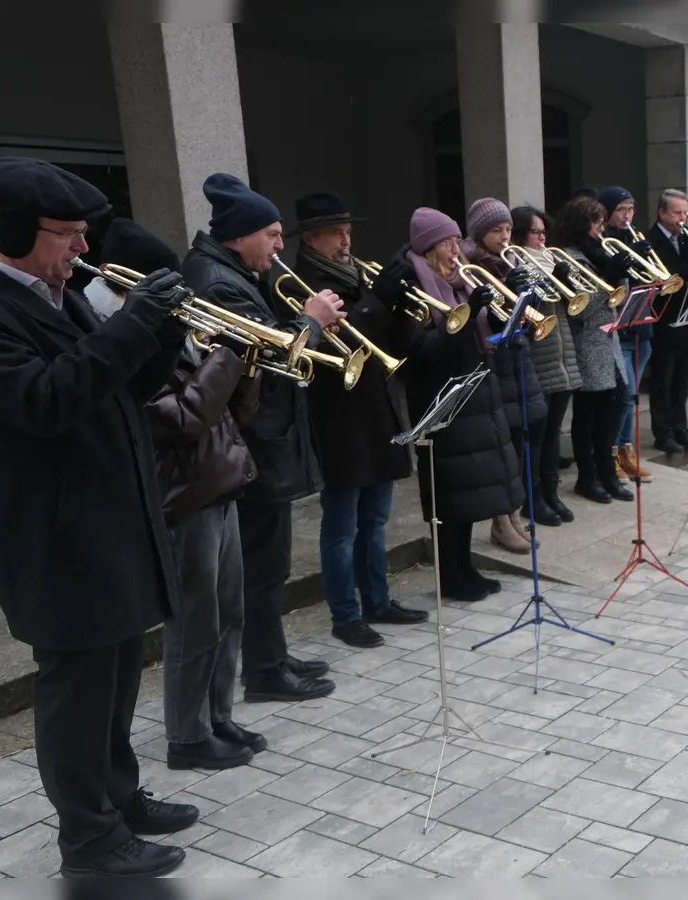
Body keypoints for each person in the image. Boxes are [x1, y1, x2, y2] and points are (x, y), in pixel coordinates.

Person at [0, 157, 198, 877]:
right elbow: (43, 402)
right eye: (67, 234)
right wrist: (132, 327)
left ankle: (117, 797)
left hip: (108, 518)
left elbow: (113, 389)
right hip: (55, 536)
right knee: (78, 687)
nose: (83, 250)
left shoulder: (54, 291)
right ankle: (88, 838)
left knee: (118, 677)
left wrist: (157, 337)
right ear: (12, 231)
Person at [84, 219, 266, 774]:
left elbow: (230, 411)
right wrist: (230, 357)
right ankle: (186, 736)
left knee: (229, 612)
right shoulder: (116, 332)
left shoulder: (171, 326)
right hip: (181, 493)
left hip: (218, 479)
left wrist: (249, 360)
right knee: (193, 623)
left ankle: (217, 715)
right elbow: (182, 416)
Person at [181, 174, 342, 703]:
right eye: (271, 235)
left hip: (261, 441)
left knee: (268, 563)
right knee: (261, 565)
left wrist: (309, 326)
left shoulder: (230, 272)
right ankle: (266, 671)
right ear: (239, 235)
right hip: (250, 444)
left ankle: (271, 656)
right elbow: (266, 361)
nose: (279, 246)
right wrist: (311, 324)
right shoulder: (218, 281)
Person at [291, 193, 429, 648]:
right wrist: (379, 299)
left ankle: (378, 599)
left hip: (378, 407)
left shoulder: (357, 274)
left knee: (376, 519)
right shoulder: (301, 282)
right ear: (311, 237)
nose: (347, 239)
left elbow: (388, 340)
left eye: (349, 230)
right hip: (340, 416)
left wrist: (406, 307)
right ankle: (344, 614)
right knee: (342, 525)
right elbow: (331, 349)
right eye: (337, 232)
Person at [391, 207, 526, 600]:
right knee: (447, 494)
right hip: (440, 398)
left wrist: (508, 306)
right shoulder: (414, 282)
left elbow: (490, 333)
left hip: (475, 391)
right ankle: (448, 574)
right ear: (429, 246)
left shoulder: (458, 280)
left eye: (455, 240)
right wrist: (468, 317)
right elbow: (421, 350)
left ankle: (465, 566)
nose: (456, 248)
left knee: (468, 494)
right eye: (448, 242)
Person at [461, 195, 543, 550]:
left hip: (518, 358)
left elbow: (526, 316)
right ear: (480, 233)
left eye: (508, 228)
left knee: (520, 440)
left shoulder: (508, 261)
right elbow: (490, 320)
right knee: (501, 444)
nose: (505, 235)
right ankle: (501, 520)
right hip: (495, 360)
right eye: (497, 229)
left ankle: (516, 513)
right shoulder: (473, 264)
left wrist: (530, 292)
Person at [549, 196, 635, 504]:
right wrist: (609, 276)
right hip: (585, 344)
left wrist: (622, 271)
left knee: (608, 416)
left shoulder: (598, 252)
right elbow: (580, 311)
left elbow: (620, 299)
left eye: (601, 222)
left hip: (607, 343)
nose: (600, 228)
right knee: (587, 418)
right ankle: (588, 477)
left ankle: (607, 473)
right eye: (595, 223)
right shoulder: (569, 257)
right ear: (580, 225)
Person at [513, 205, 580, 525]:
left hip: (561, 353)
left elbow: (575, 308)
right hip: (539, 357)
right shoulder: (517, 263)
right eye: (535, 233)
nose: (542, 238)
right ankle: (533, 496)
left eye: (544, 232)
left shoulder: (552, 260)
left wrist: (566, 281)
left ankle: (551, 492)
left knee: (554, 431)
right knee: (536, 436)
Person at [644, 188, 688, 454]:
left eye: (685, 212)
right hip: (665, 319)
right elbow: (669, 277)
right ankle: (663, 432)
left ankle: (681, 427)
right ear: (662, 213)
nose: (683, 218)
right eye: (677, 213)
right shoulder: (650, 241)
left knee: (682, 381)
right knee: (663, 380)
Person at [599, 186, 655, 483]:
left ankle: (626, 450)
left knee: (632, 398)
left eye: (630, 209)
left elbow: (651, 279)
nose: (627, 215)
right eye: (621, 209)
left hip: (642, 327)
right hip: (620, 330)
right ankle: (611, 452)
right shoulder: (606, 242)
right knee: (624, 395)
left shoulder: (635, 237)